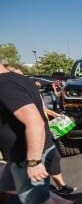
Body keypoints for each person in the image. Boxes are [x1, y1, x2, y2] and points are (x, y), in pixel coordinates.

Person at [0, 59, 74, 204]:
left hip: (27, 153)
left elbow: (33, 119)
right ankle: (61, 202)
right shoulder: (19, 79)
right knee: (6, 185)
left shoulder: (4, 85)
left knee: (36, 197)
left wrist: (33, 162)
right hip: (22, 151)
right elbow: (40, 110)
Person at [4, 65, 76, 196]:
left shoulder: (23, 86)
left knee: (52, 160)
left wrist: (54, 115)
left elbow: (42, 109)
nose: (20, 77)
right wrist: (34, 162)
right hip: (24, 145)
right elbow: (34, 119)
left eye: (20, 75)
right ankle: (54, 192)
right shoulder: (11, 90)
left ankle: (59, 190)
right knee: (32, 188)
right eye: (16, 74)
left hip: (40, 135)